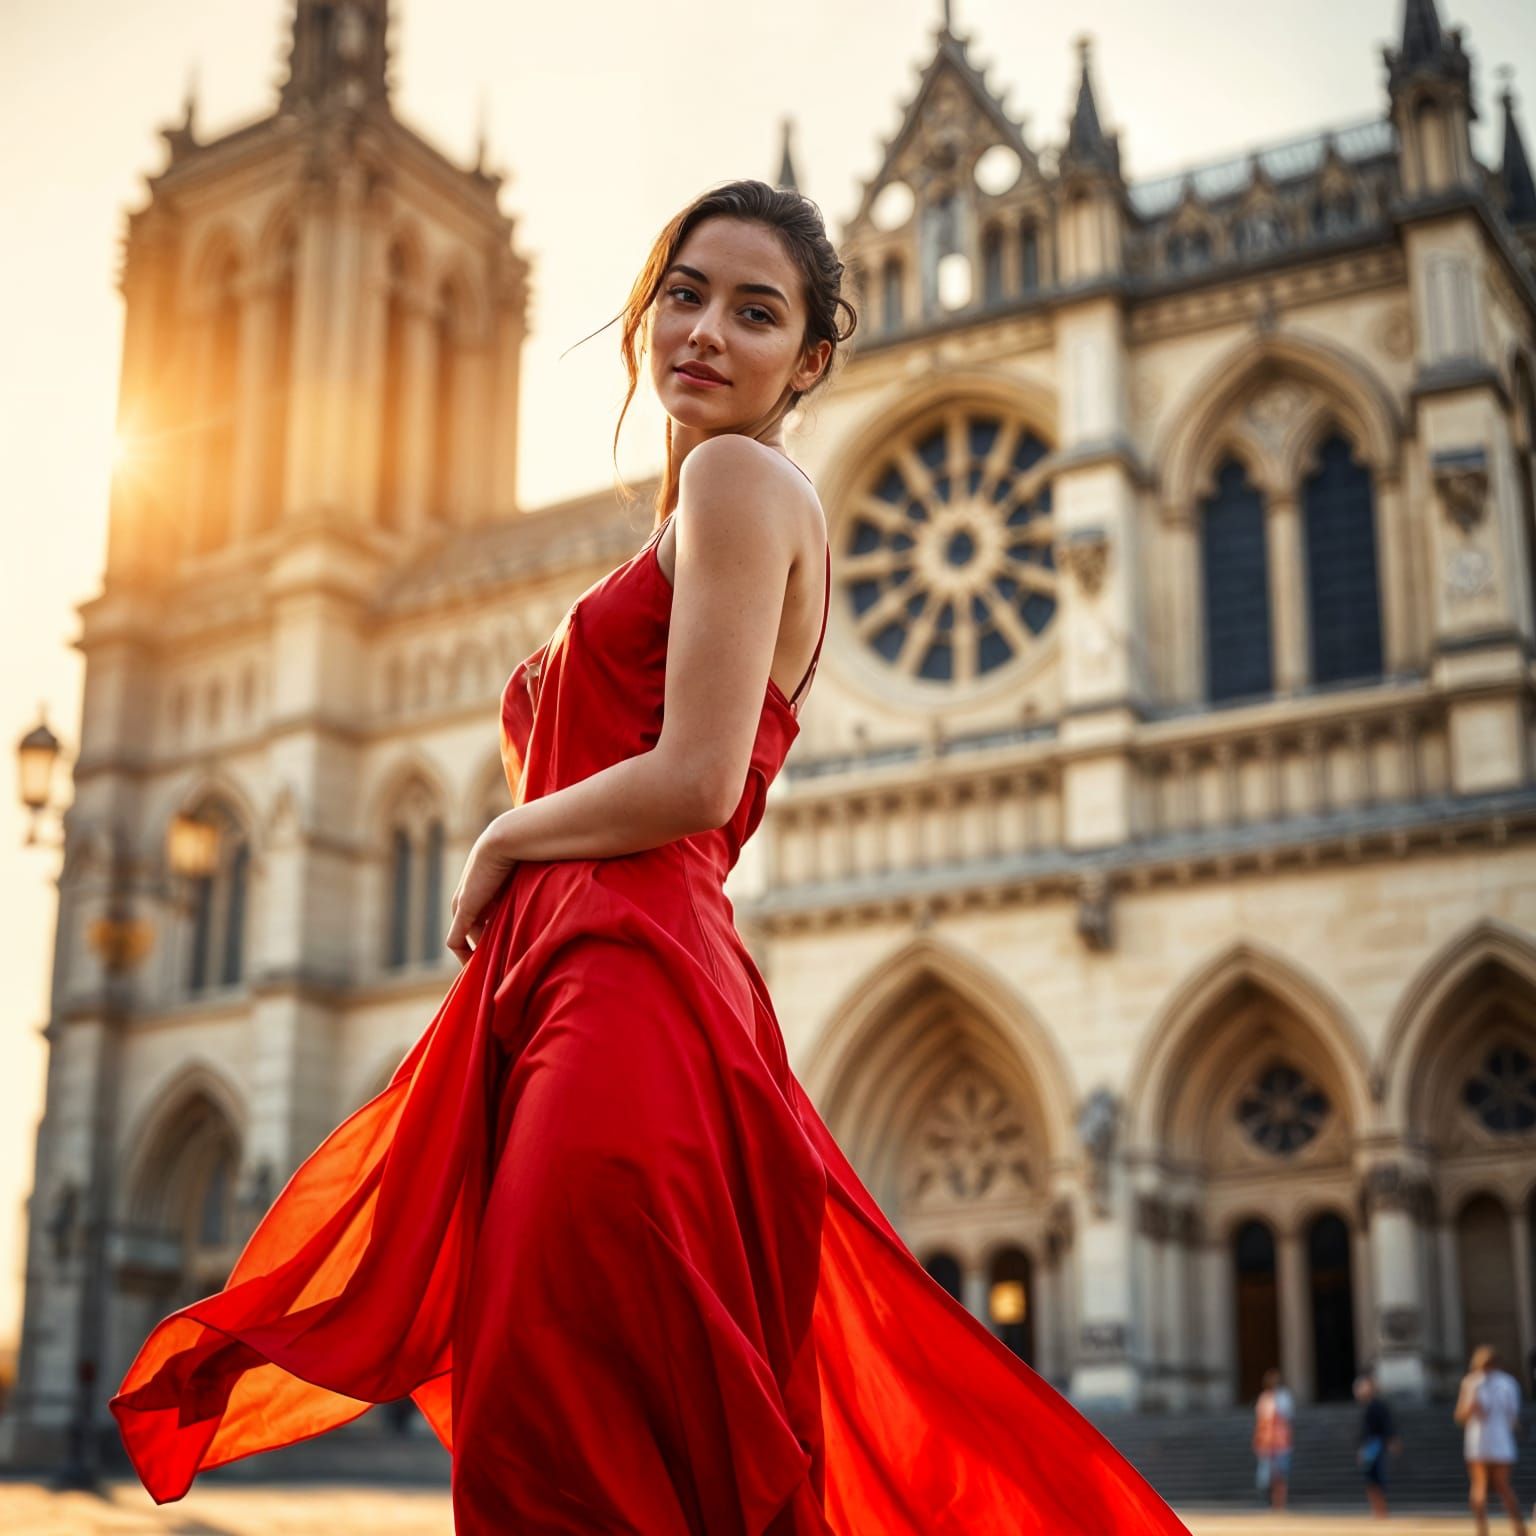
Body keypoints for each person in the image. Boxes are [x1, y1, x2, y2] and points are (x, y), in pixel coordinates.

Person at [107, 180, 1190, 1533]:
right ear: (643, 312)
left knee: (552, 1424)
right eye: (684, 293)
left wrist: (505, 831)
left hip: (622, 990)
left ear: (809, 362)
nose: (705, 331)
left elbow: (693, 777)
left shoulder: (742, 479)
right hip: (602, 980)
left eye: (754, 312)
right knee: (597, 1425)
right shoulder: (705, 507)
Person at [1457, 1344, 1528, 1536]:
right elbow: (1513, 1417)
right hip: (1501, 1441)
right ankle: (1519, 1527)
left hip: (1478, 1441)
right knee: (1503, 1486)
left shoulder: (1471, 1383)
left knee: (1479, 1486)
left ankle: (1482, 1530)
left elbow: (1461, 1415)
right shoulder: (1508, 1383)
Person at [1355, 1369, 1400, 1519]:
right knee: (1370, 1478)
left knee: (1376, 1476)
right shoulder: (1367, 1406)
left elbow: (1386, 1424)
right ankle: (1376, 1509)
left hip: (1376, 1444)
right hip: (1370, 1445)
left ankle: (1381, 1509)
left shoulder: (1378, 1406)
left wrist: (1392, 1439)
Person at [1253, 1367, 1295, 1510]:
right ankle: (1270, 1502)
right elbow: (1261, 1422)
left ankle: (1280, 1503)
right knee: (1267, 1476)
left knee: (1281, 1474)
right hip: (1266, 1442)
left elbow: (1287, 1418)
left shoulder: (1284, 1397)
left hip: (1281, 1442)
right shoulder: (1264, 1399)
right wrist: (1258, 1440)